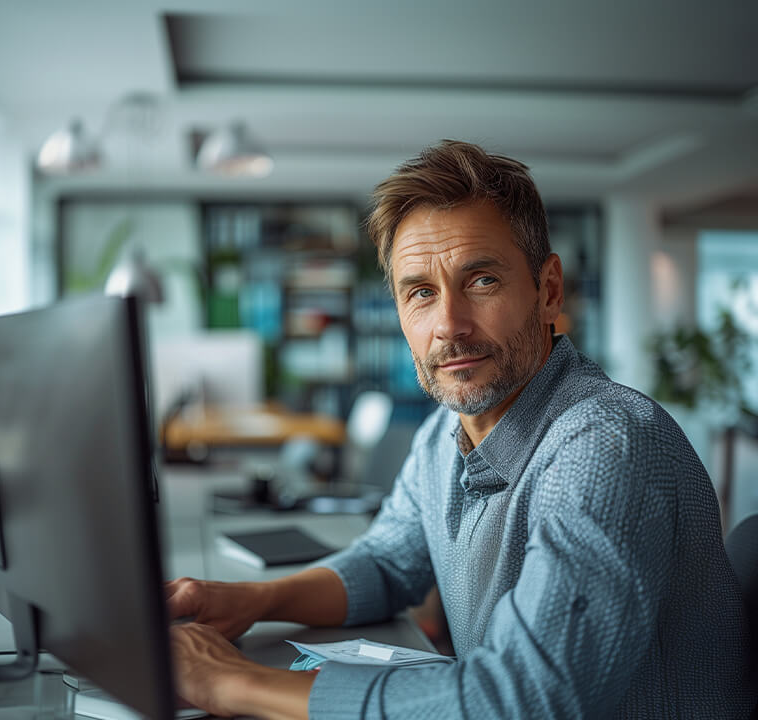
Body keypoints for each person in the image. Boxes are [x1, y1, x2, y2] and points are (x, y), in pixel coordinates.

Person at [166, 140, 755, 719]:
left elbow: (523, 699)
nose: (448, 325)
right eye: (420, 292)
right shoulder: (441, 435)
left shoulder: (607, 446)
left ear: (548, 291)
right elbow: (388, 564)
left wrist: (233, 683)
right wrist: (249, 600)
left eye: (481, 281)